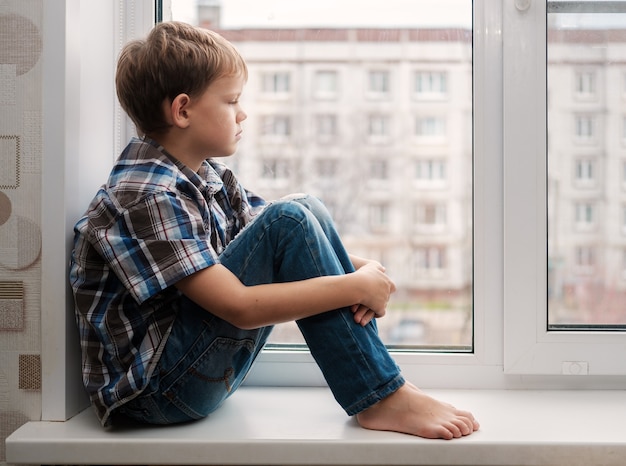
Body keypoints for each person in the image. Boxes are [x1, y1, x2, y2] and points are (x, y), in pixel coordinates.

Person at [69, 21, 479, 440]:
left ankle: (386, 388)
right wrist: (354, 286)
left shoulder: (207, 178)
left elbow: (295, 242)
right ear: (183, 110)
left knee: (304, 208)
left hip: (192, 374)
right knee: (290, 217)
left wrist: (364, 271)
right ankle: (380, 396)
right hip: (155, 394)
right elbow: (240, 306)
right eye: (231, 101)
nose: (242, 113)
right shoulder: (145, 195)